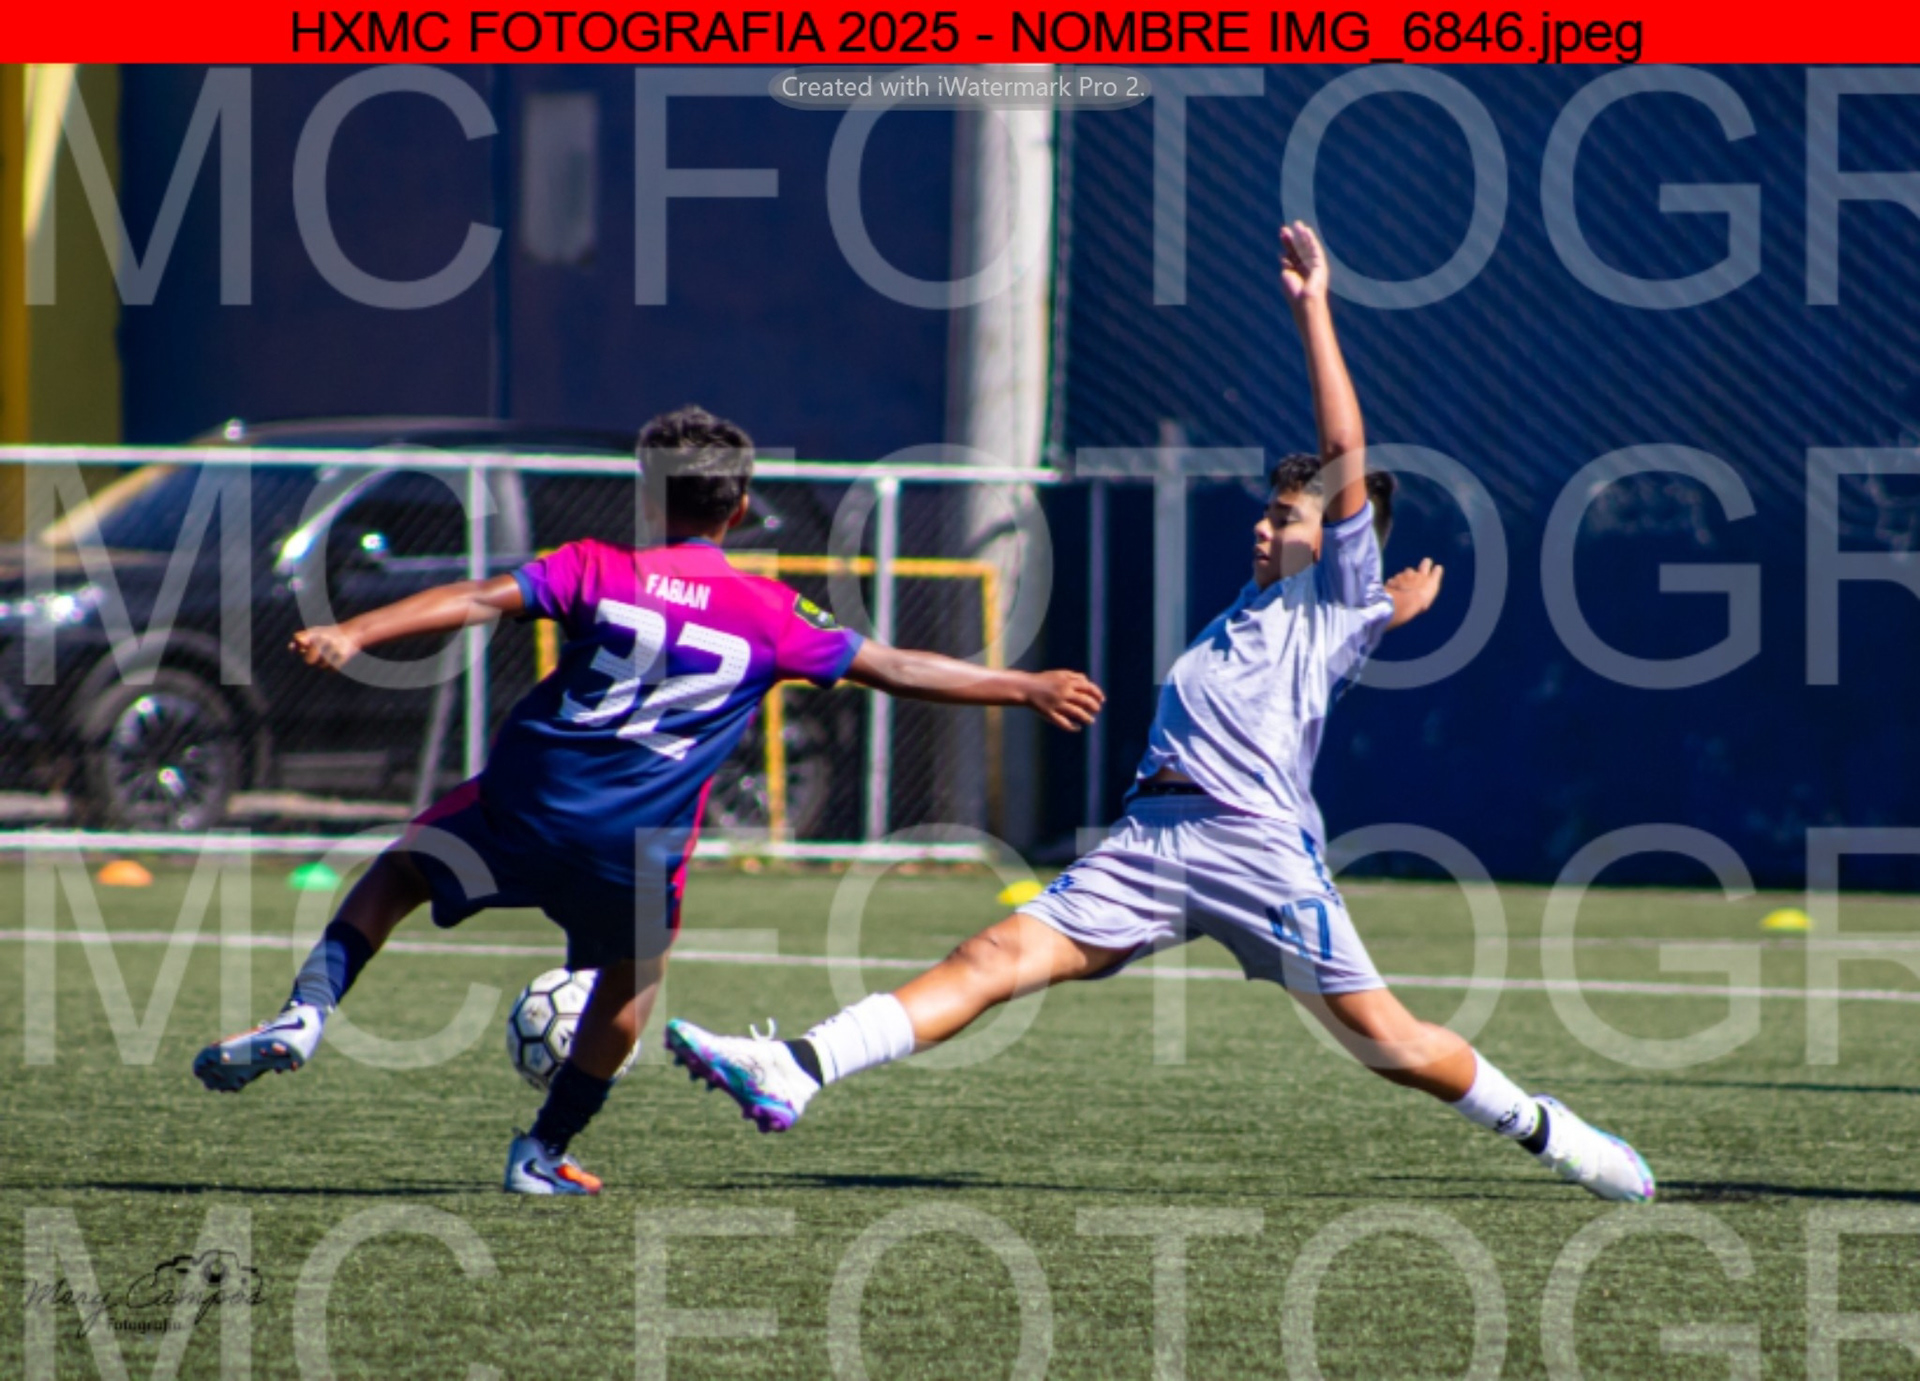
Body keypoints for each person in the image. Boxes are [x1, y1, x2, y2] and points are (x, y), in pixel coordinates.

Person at [664, 225, 1656, 1204]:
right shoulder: (1265, 612)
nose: (1264, 525)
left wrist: (1314, 309)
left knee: (1387, 1042)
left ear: (1338, 542)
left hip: (1254, 845)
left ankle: (1553, 1132)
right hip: (1151, 840)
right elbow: (1334, 639)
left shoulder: (1328, 595)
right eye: (1268, 510)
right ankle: (801, 1064)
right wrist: (1389, 612)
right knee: (993, 954)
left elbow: (1344, 453)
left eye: (1288, 516)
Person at [193, 405, 1105, 1196]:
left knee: (398, 874)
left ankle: (307, 1012)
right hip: (633, 843)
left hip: (529, 796)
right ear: (738, 509)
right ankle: (542, 1151)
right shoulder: (771, 612)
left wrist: (355, 630)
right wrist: (1021, 685)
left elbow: (477, 596)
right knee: (630, 980)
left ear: (647, 496)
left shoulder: (595, 566)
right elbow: (895, 666)